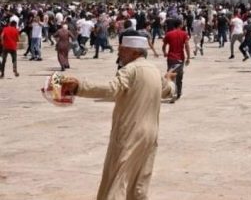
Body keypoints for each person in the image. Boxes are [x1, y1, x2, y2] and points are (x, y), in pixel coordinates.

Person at [60, 36, 176, 200]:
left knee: (116, 180)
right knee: (139, 182)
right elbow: (168, 90)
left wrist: (79, 87)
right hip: (150, 134)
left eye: (123, 50)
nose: (119, 53)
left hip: (129, 132)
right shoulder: (154, 70)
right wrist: (169, 81)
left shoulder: (130, 70)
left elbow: (112, 88)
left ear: (134, 52)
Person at [162, 19, 191, 103]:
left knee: (171, 76)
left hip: (171, 58)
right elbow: (186, 46)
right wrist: (188, 57)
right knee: (179, 76)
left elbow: (164, 46)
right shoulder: (184, 34)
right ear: (180, 25)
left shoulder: (169, 34)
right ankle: (178, 92)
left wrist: (164, 52)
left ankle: (172, 92)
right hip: (180, 58)